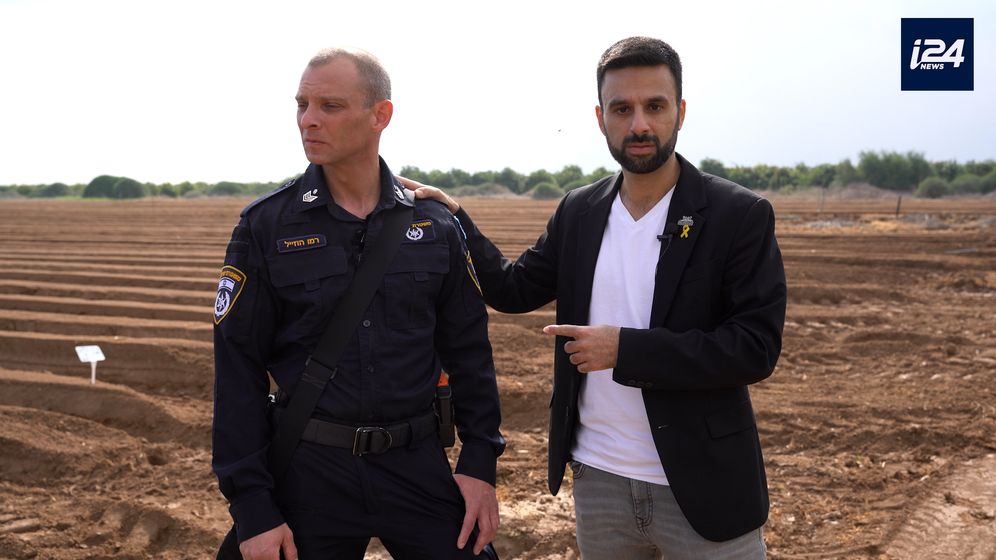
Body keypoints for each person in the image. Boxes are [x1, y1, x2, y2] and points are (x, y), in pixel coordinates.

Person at [402, 36, 786, 558]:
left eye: (655, 106)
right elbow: (513, 289)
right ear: (601, 118)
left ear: (681, 112)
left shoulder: (738, 215)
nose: (639, 125)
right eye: (622, 109)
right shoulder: (579, 211)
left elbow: (754, 348)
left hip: (705, 485)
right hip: (599, 481)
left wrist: (625, 350)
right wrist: (456, 219)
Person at [212, 47, 505, 560]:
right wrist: (253, 506)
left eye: (330, 106)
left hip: (416, 465)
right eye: (302, 105)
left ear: (380, 115)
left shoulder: (434, 225)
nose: (308, 120)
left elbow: (469, 354)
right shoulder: (266, 226)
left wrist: (479, 463)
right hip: (309, 470)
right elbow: (238, 370)